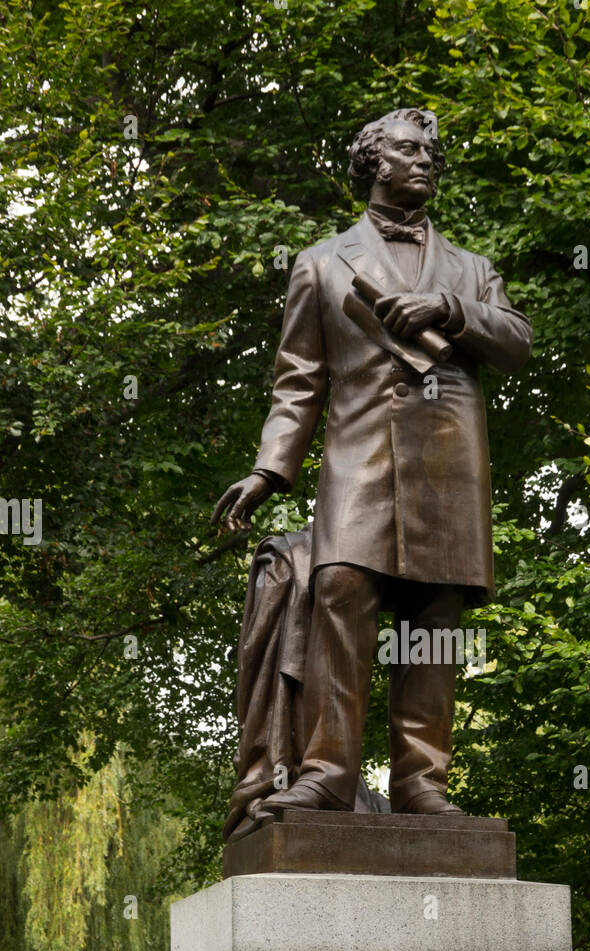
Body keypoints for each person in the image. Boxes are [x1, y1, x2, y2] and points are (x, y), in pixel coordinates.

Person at [212, 107, 532, 836]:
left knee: (434, 617)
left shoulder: (472, 270)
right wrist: (269, 471)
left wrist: (451, 310)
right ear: (372, 161)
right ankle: (328, 773)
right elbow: (298, 380)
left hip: (450, 464)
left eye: (431, 153)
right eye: (409, 150)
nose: (426, 161)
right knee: (340, 587)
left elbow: (515, 342)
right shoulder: (321, 263)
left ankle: (424, 784)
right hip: (357, 458)